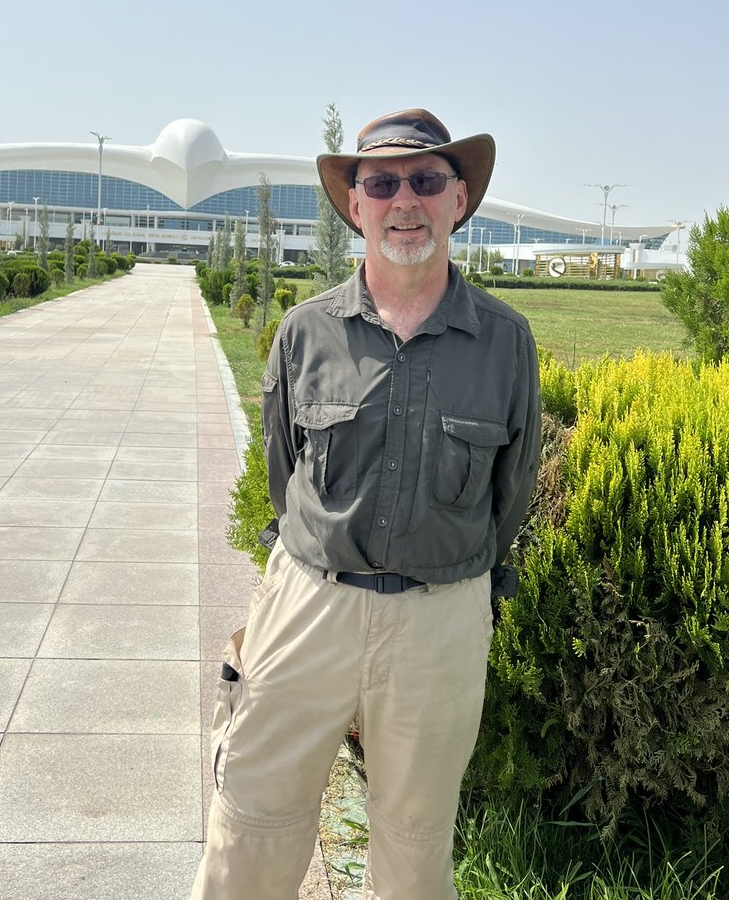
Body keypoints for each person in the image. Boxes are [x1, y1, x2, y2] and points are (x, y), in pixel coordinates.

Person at [190, 108, 541, 900]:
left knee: (416, 848)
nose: (404, 200)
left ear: (459, 201)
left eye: (426, 180)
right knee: (251, 824)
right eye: (381, 182)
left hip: (439, 620)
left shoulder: (506, 343)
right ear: (355, 206)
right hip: (308, 605)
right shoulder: (304, 333)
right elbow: (286, 478)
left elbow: (508, 496)